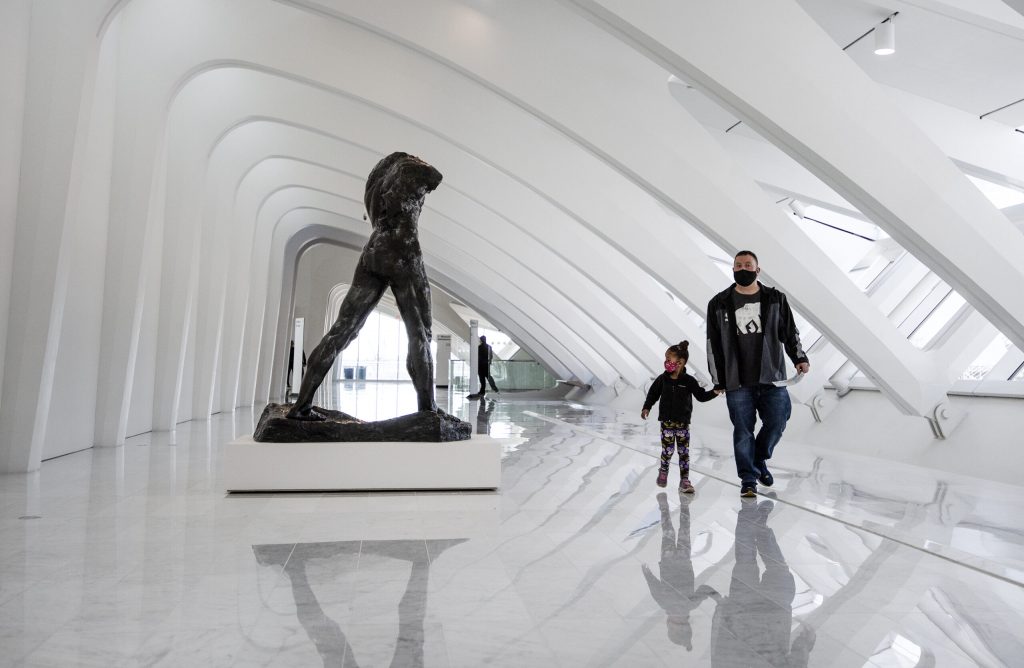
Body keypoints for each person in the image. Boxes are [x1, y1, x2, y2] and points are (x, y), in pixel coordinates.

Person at [286, 152, 443, 420]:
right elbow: (435, 177)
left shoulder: (381, 178)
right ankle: (428, 411)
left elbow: (379, 204)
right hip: (403, 252)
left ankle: (301, 406)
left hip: (375, 248)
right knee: (420, 333)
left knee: (341, 331)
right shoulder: (413, 171)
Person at [706, 250, 809, 497]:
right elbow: (713, 344)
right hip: (736, 380)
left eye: (748, 265)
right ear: (733, 270)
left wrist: (799, 357)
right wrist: (718, 379)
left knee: (778, 420)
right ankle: (748, 480)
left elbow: (789, 332)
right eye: (738, 265)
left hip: (772, 376)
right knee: (743, 430)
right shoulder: (719, 303)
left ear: (757, 270)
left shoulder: (775, 299)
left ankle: (759, 458)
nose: (743, 269)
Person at [642, 492, 720, 650]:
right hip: (668, 560)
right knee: (668, 532)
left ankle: (684, 504)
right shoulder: (665, 604)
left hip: (683, 560)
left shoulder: (691, 605)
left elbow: (705, 590)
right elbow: (654, 587)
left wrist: (717, 598)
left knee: (685, 529)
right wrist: (647, 573)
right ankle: (664, 507)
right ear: (670, 624)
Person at [641, 341, 720, 492]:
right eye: (666, 359)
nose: (666, 362)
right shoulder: (662, 379)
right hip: (667, 422)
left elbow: (701, 396)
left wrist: (714, 392)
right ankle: (663, 471)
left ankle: (684, 480)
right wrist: (647, 407)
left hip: (683, 423)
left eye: (668, 359)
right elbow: (653, 394)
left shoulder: (689, 381)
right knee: (668, 450)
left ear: (681, 362)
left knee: (684, 452)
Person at [468, 335, 499, 399]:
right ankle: (495, 389)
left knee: (482, 379)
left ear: (481, 340)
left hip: (480, 365)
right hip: (486, 365)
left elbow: (477, 357)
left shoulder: (479, 347)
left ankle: (482, 391)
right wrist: (489, 362)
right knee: (489, 377)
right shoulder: (489, 347)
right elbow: (491, 356)